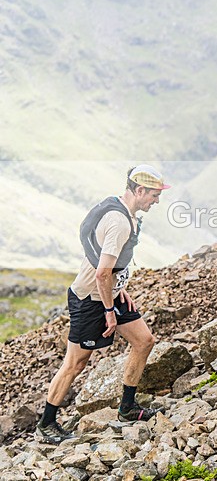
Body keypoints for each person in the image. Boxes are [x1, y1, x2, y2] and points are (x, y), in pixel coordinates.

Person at [35, 165, 170, 444]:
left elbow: (112, 267)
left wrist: (120, 290)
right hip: (90, 298)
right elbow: (101, 272)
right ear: (139, 190)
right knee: (76, 363)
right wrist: (109, 310)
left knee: (144, 341)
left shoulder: (123, 211)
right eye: (154, 195)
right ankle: (46, 424)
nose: (156, 201)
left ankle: (128, 409)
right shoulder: (119, 222)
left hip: (109, 292)